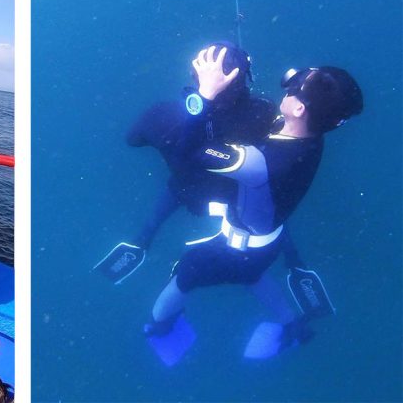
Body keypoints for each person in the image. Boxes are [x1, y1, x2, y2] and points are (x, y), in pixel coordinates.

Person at [145, 46, 362, 359]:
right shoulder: (311, 135)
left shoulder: (257, 164)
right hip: (268, 241)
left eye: (296, 83)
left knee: (187, 271)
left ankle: (159, 327)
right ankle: (292, 327)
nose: (287, 81)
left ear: (300, 109)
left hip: (239, 248)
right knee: (252, 273)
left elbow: (186, 155)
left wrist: (203, 97)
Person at [96, 43, 279, 282]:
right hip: (232, 202)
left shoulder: (161, 115)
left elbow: (133, 140)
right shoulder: (264, 112)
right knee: (269, 209)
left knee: (166, 202)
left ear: (197, 73)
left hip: (185, 191)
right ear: (244, 77)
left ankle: (143, 240)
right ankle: (292, 258)